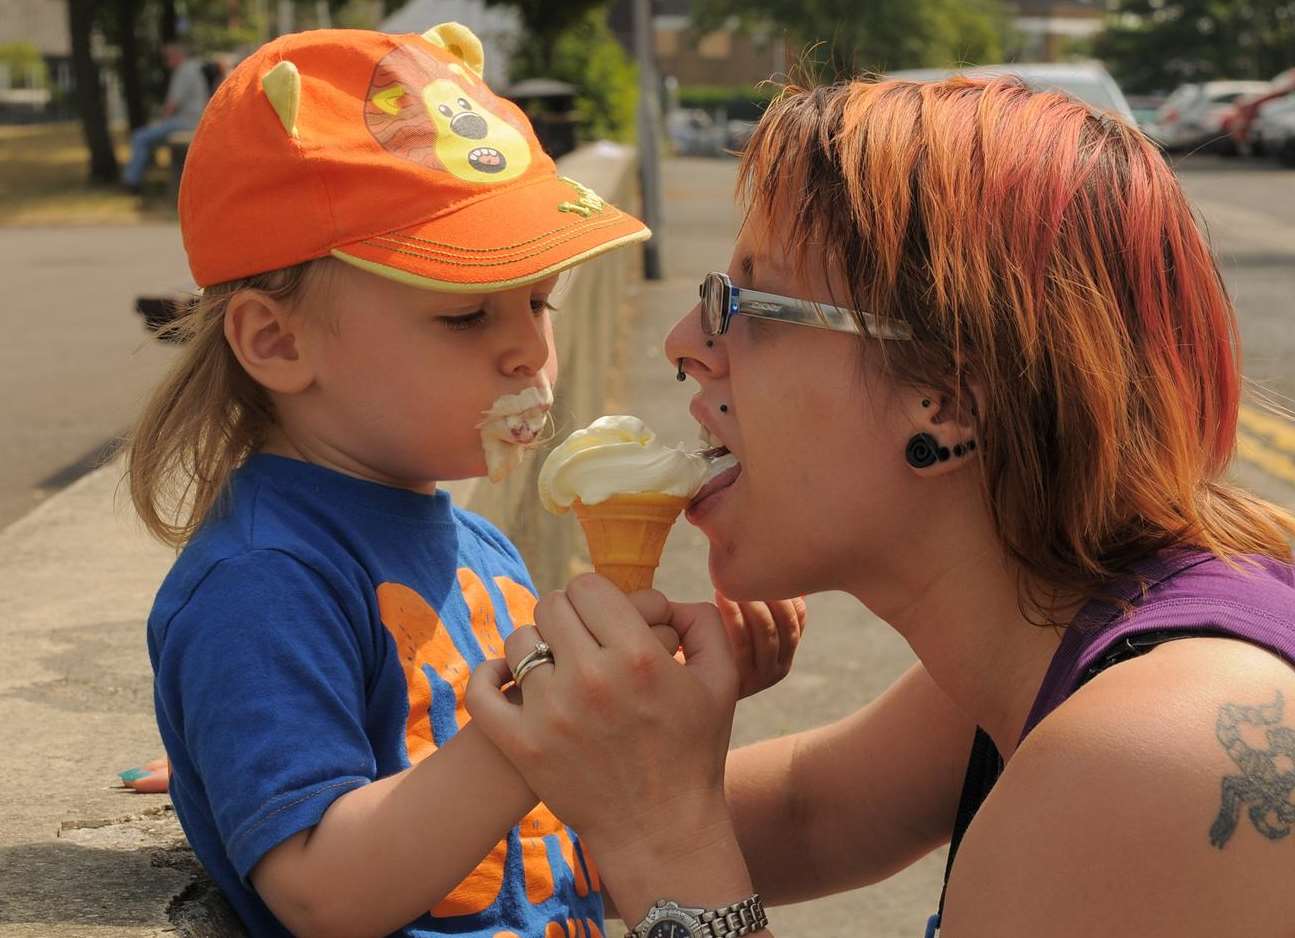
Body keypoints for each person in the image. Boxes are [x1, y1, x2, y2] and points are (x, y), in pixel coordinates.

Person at [466, 75, 1295, 938]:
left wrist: (666, 847)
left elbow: (676, 837)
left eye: (746, 303)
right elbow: (811, 811)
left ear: (949, 400)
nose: (685, 342)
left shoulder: (1165, 755)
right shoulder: (1071, 631)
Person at [125, 22, 802, 938]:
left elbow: (542, 829)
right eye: (464, 317)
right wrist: (549, 729)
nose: (528, 348)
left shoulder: (473, 540)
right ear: (276, 342)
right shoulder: (263, 582)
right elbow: (323, 891)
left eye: (537, 302)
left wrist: (651, 707)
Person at [121, 39, 210, 194]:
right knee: (147, 138)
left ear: (176, 56)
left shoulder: (184, 71)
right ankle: (140, 177)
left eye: (168, 58)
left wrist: (161, 123)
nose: (166, 62)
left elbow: (172, 104)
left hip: (186, 122)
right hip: (194, 120)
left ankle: (131, 182)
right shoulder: (193, 68)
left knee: (140, 137)